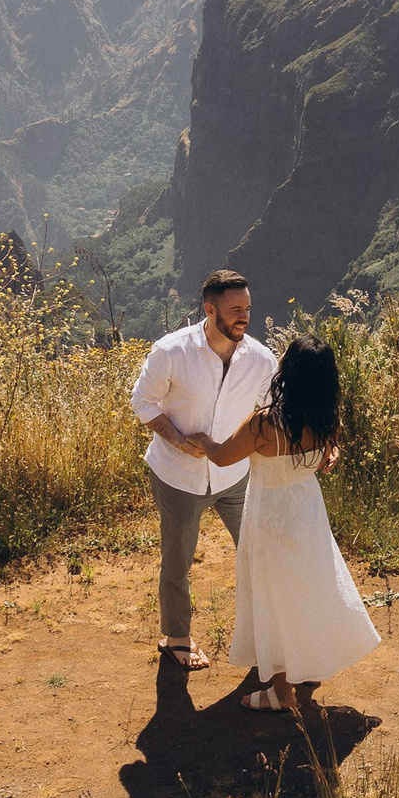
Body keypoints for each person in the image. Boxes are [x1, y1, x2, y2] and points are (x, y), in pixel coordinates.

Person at [197, 335, 382, 712]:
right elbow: (329, 450)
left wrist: (200, 438)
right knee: (306, 588)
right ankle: (307, 664)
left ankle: (282, 693)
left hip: (270, 517)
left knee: (273, 597)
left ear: (289, 372)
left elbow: (222, 457)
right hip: (308, 514)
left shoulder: (265, 424)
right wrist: (332, 452)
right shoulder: (326, 418)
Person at [130, 269, 276, 670]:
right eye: (235, 310)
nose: (244, 317)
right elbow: (143, 401)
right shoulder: (171, 351)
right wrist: (179, 441)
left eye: (247, 308)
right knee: (177, 561)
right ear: (210, 310)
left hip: (236, 476)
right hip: (178, 476)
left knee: (258, 552)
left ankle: (267, 632)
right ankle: (176, 637)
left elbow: (273, 410)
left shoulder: (261, 359)